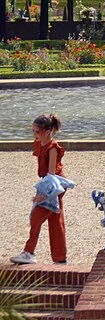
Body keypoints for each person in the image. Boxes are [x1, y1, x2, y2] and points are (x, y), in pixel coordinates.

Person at [12, 113, 67, 264]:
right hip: (49, 183)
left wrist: (43, 196)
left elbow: (52, 175)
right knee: (56, 220)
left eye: (37, 132)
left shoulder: (52, 148)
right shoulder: (40, 144)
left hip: (55, 184)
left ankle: (29, 252)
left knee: (37, 217)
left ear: (48, 131)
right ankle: (60, 258)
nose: (35, 135)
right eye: (33, 131)